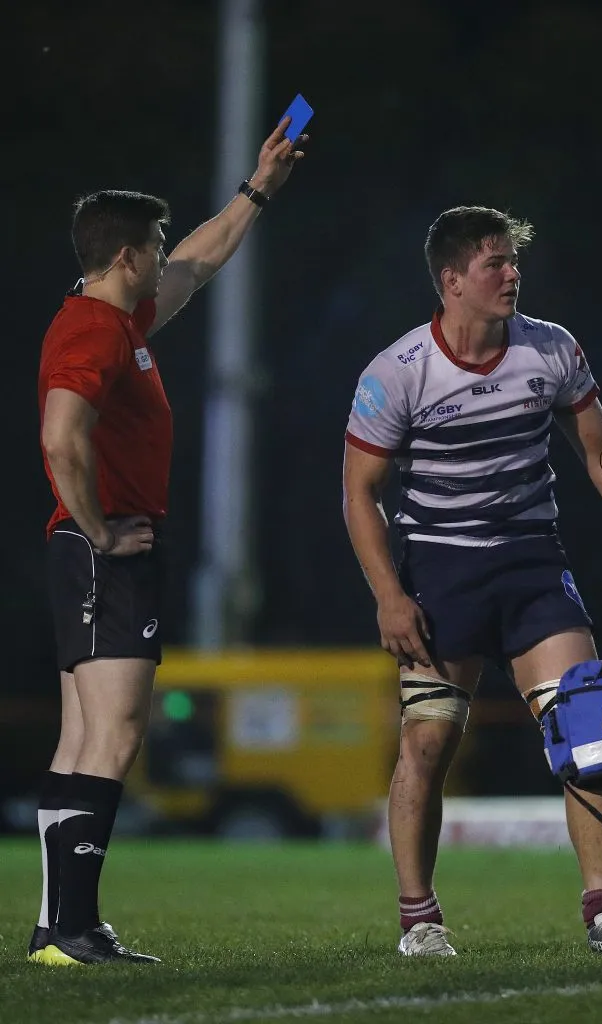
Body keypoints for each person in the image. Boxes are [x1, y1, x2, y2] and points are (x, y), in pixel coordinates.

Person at [31, 119, 307, 966]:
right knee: (114, 736)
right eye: (150, 246)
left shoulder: (120, 323)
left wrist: (257, 190)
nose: (161, 256)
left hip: (85, 553)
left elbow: (200, 260)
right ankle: (74, 929)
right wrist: (99, 530)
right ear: (123, 258)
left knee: (84, 740)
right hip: (101, 553)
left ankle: (59, 927)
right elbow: (59, 437)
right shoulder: (90, 331)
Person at [342, 205, 602, 957]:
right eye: (493, 264)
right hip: (440, 572)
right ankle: (420, 920)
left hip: (532, 565)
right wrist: (389, 595)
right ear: (450, 282)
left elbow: (597, 447)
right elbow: (360, 492)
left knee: (586, 733)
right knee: (428, 741)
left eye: (513, 262)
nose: (512, 274)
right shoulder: (397, 372)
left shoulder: (551, 348)